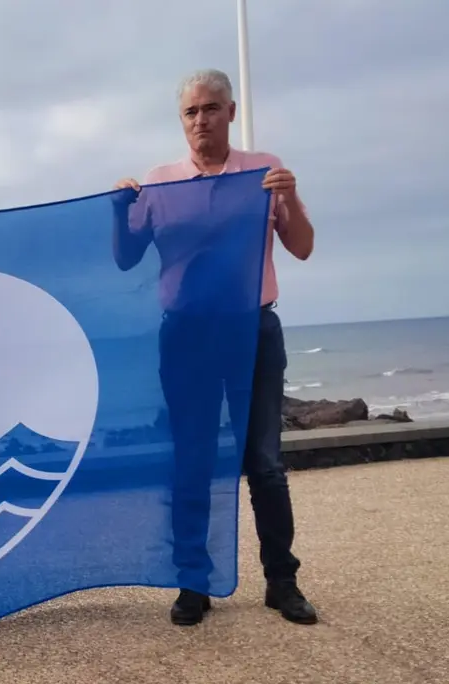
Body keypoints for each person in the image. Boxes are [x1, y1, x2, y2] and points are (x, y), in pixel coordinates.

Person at [110, 69, 318, 626]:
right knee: (192, 461)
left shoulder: (263, 172)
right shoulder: (160, 182)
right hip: (186, 335)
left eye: (210, 108)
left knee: (265, 464)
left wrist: (290, 198)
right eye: (190, 112)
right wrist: (116, 208)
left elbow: (301, 247)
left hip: (252, 331)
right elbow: (126, 256)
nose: (200, 120)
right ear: (182, 121)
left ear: (231, 111)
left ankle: (282, 581)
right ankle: (192, 583)